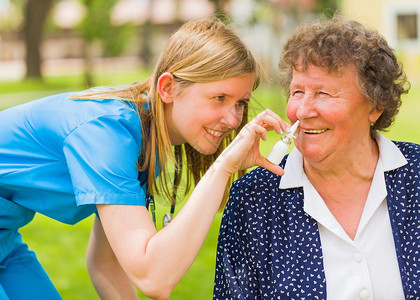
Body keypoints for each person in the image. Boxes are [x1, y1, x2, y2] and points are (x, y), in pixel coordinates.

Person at [0, 18, 288, 299]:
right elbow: (154, 278)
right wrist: (224, 167)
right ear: (168, 88)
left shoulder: (145, 140)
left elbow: (107, 264)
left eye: (240, 103)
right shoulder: (107, 134)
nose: (232, 119)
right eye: (219, 98)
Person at [214, 16, 420, 300]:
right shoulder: (254, 197)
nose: (302, 111)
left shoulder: (417, 175)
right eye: (297, 92)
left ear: (375, 106)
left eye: (324, 93)